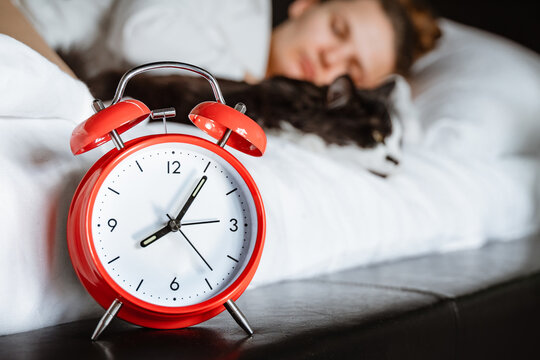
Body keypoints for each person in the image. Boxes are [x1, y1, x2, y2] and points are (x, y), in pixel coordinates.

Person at [13, 0, 440, 88]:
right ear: (306, 6)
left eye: (352, 69)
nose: (331, 57)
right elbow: (140, 32)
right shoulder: (241, 10)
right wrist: (247, 83)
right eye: (338, 31)